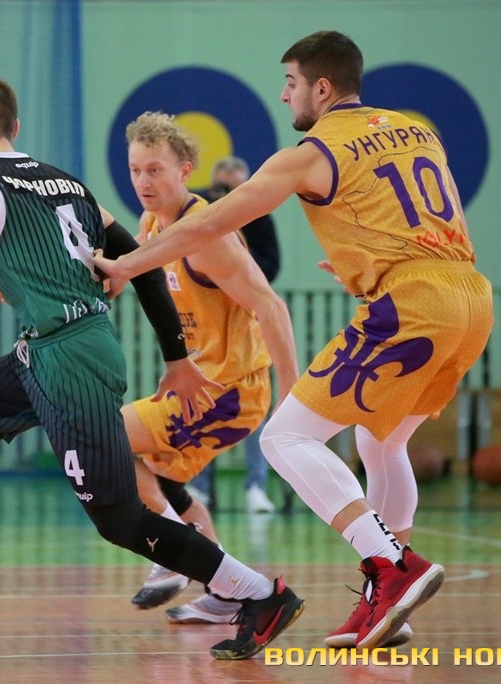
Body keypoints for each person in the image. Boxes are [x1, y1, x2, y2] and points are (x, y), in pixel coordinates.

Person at [0, 78, 304, 661]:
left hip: (70, 360)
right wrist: (174, 356)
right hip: (46, 350)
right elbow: (138, 265)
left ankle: (258, 594)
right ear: (15, 128)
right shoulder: (66, 182)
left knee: (118, 518)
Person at [94, 31, 494, 650]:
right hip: (469, 294)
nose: (284, 96)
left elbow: (212, 221)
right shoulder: (415, 131)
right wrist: (367, 261)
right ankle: (388, 602)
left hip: (412, 304)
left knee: (284, 438)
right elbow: (432, 218)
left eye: (290, 83)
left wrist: (125, 264)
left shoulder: (310, 153)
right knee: (382, 441)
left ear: (321, 88)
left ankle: (393, 566)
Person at [119, 113, 299, 624]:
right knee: (155, 477)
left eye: (155, 170)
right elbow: (121, 275)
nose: (143, 182)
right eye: (135, 170)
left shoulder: (208, 236)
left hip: (231, 391)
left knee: (104, 437)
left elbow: (272, 307)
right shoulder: (153, 225)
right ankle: (225, 592)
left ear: (185, 170)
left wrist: (292, 398)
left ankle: (172, 552)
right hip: (197, 386)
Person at [188, 155, 282, 514]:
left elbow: (272, 265)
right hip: (206, 321)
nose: (228, 193)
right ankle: (199, 485)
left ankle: (256, 486)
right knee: (201, 402)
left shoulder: (259, 216)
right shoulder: (199, 210)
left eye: (235, 187)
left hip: (245, 317)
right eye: (222, 187)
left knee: (254, 404)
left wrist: (237, 266)